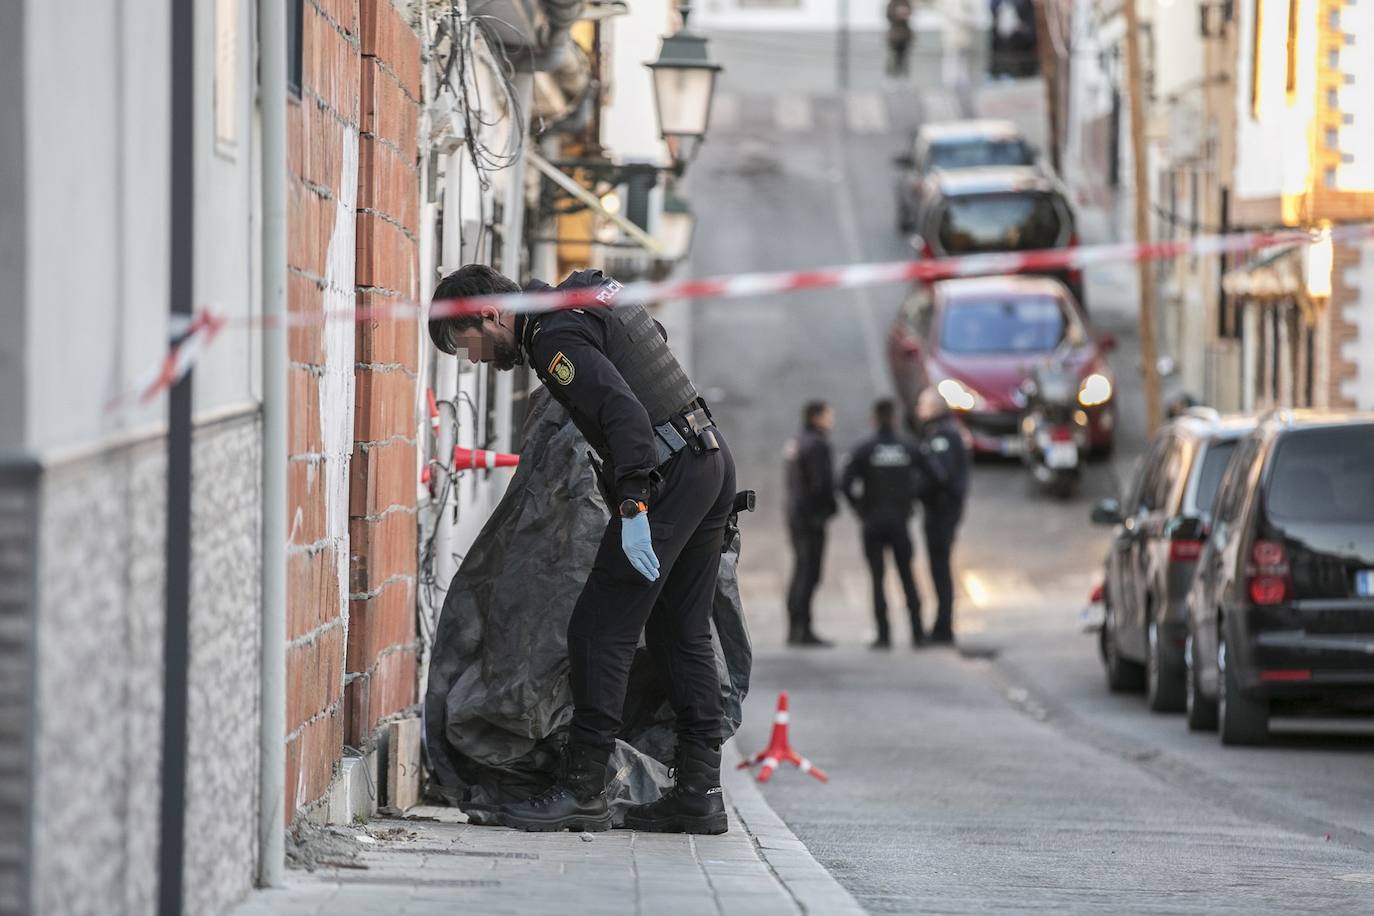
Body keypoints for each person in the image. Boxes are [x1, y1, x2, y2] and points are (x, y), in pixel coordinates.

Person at [428, 264, 736, 835]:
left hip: (668, 477)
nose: (473, 360)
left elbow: (624, 415)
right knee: (680, 631)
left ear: (491, 314)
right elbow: (646, 347)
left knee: (598, 631)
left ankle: (581, 790)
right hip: (707, 459)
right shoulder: (575, 304)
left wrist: (634, 505)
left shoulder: (553, 338)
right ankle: (699, 794)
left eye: (466, 342)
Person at [841, 399, 927, 649]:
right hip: (900, 522)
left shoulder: (865, 449)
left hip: (873, 523)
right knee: (907, 577)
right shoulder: (908, 447)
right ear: (895, 419)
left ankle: (883, 635)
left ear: (874, 420)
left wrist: (859, 508)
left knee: (878, 579)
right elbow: (930, 475)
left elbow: (843, 482)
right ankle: (918, 633)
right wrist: (912, 498)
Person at [914, 388, 970, 644]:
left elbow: (940, 475)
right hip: (941, 510)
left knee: (940, 568)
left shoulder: (943, 435)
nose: (919, 409)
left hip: (942, 512)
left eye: (923, 405)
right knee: (938, 567)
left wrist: (916, 488)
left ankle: (943, 627)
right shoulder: (939, 432)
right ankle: (941, 624)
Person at [783, 401, 837, 647]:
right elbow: (822, 484)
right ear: (816, 417)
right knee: (809, 572)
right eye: (828, 415)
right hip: (811, 518)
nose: (831, 420)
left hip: (795, 515)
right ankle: (803, 629)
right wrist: (829, 509)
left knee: (800, 569)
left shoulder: (796, 441)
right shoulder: (818, 444)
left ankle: (795, 627)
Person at [886, 0, 915, 77]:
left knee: (904, 58)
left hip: (905, 36)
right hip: (894, 36)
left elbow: (911, 12)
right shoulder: (892, 3)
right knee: (893, 58)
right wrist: (897, 13)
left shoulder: (906, 2)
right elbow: (889, 15)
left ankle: (903, 76)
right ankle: (892, 75)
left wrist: (905, 13)